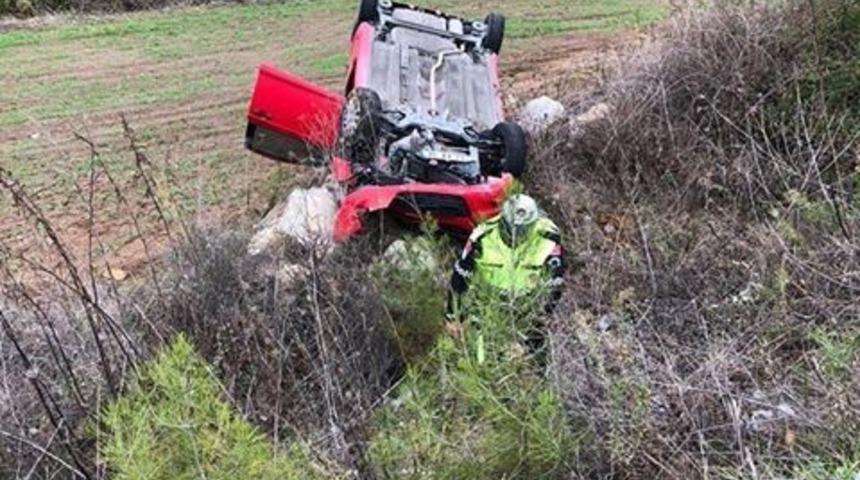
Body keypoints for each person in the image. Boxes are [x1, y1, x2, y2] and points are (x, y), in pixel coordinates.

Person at [447, 194, 565, 362]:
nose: (517, 236)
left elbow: (553, 290)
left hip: (527, 307)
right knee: (482, 361)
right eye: (512, 230)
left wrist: (527, 342)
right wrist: (454, 317)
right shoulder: (483, 237)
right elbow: (460, 276)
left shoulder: (548, 238)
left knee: (532, 366)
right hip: (489, 305)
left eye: (523, 230)